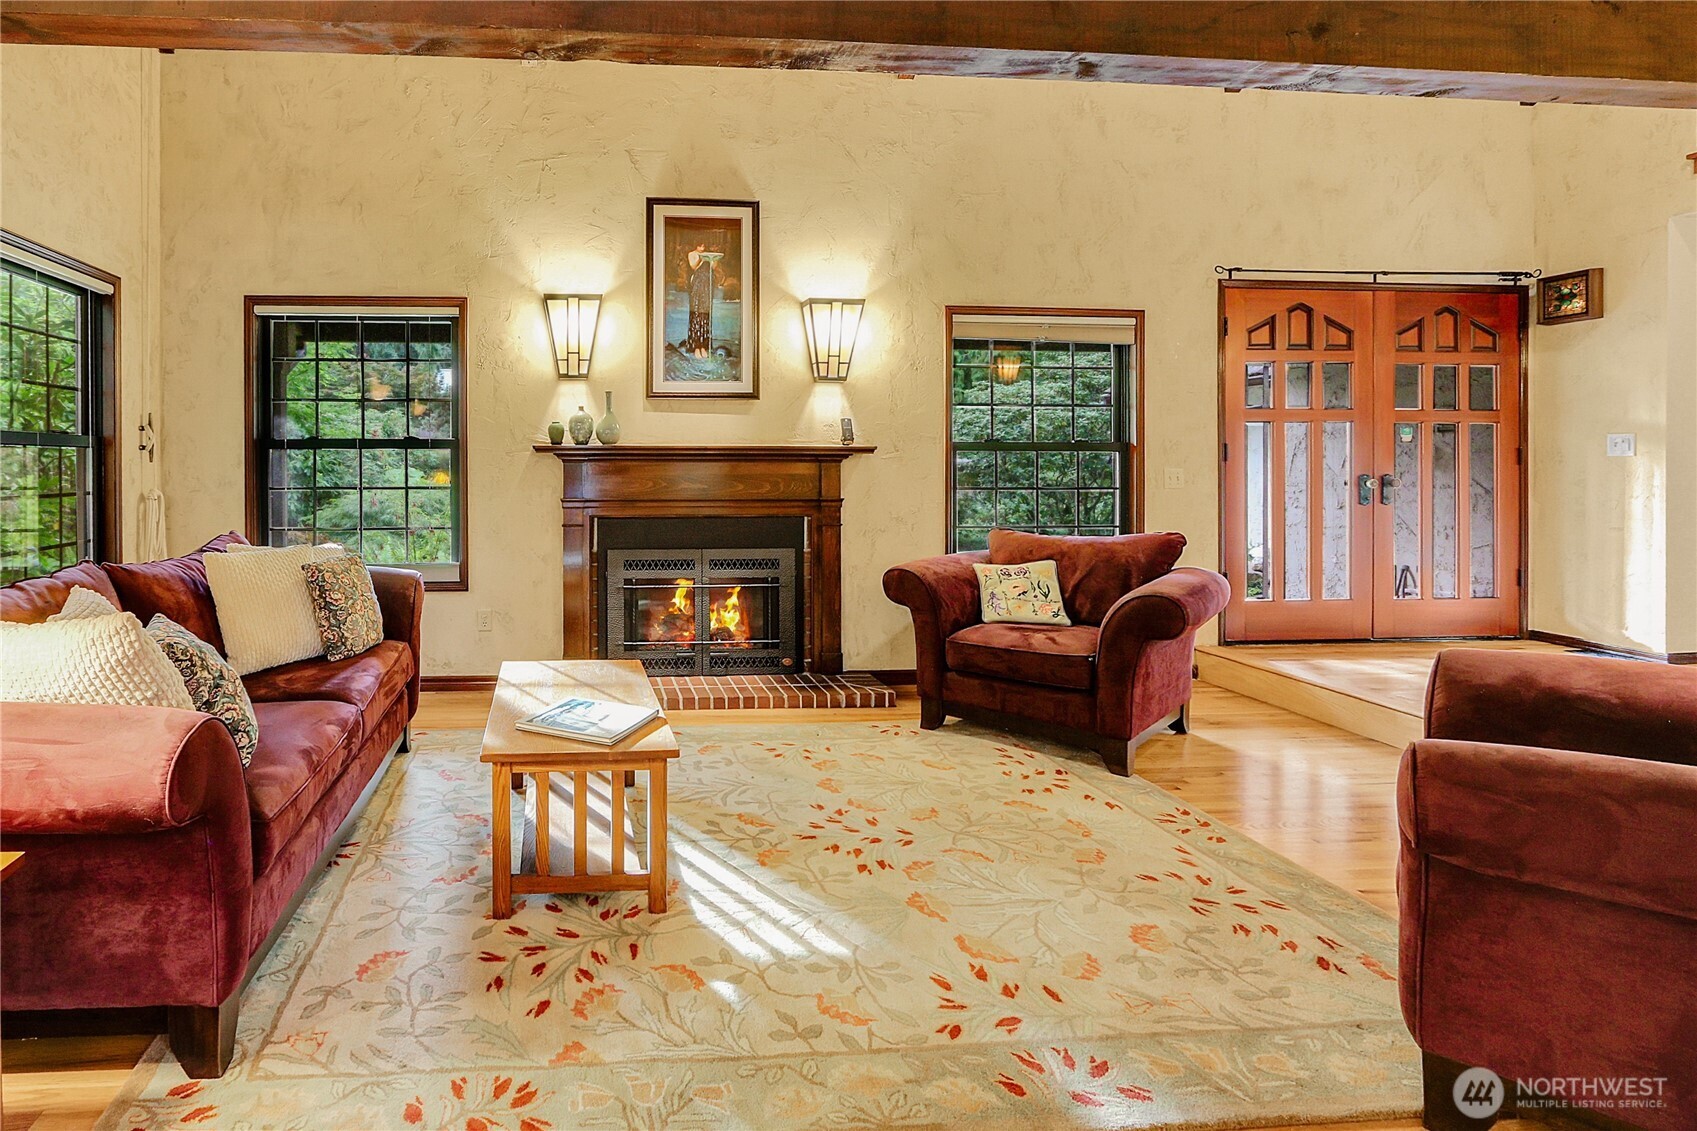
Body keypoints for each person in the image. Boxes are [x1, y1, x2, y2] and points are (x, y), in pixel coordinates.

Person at [683, 242, 715, 358]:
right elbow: (693, 266)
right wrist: (701, 258)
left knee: (705, 314)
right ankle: (696, 346)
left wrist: (713, 259)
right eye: (700, 246)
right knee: (696, 313)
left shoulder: (707, 255)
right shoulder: (692, 254)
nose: (702, 248)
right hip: (697, 284)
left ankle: (704, 346)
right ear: (696, 245)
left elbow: (713, 267)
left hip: (707, 285)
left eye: (704, 246)